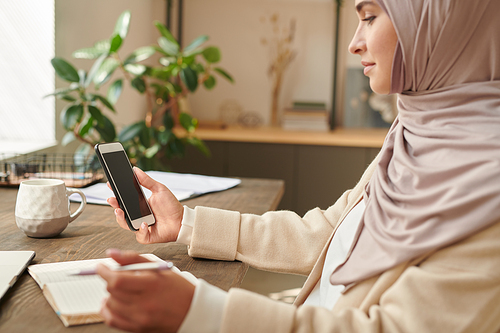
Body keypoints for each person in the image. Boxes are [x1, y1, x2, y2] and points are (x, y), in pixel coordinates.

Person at [97, 0, 500, 331]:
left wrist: (204, 313)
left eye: (370, 17)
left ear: (440, 28)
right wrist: (186, 223)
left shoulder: (487, 185)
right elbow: (326, 233)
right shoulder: (413, 136)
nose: (354, 44)